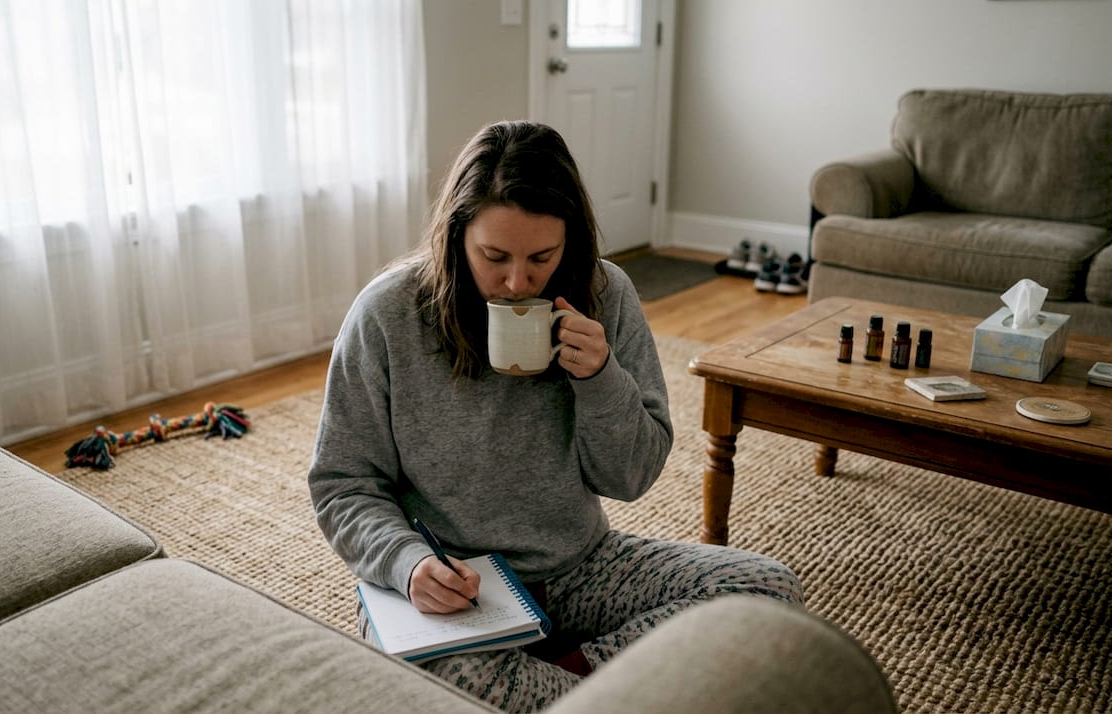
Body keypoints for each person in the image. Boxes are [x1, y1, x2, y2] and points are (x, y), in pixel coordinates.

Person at [308, 120, 803, 713]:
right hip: (451, 587)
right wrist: (407, 564)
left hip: (582, 567)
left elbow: (631, 478)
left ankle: (567, 685)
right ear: (456, 237)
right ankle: (625, 692)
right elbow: (342, 483)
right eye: (494, 257)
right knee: (428, 676)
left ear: (572, 241)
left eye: (542, 257)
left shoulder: (606, 294)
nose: (517, 283)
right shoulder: (386, 315)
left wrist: (600, 380)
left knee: (767, 592)